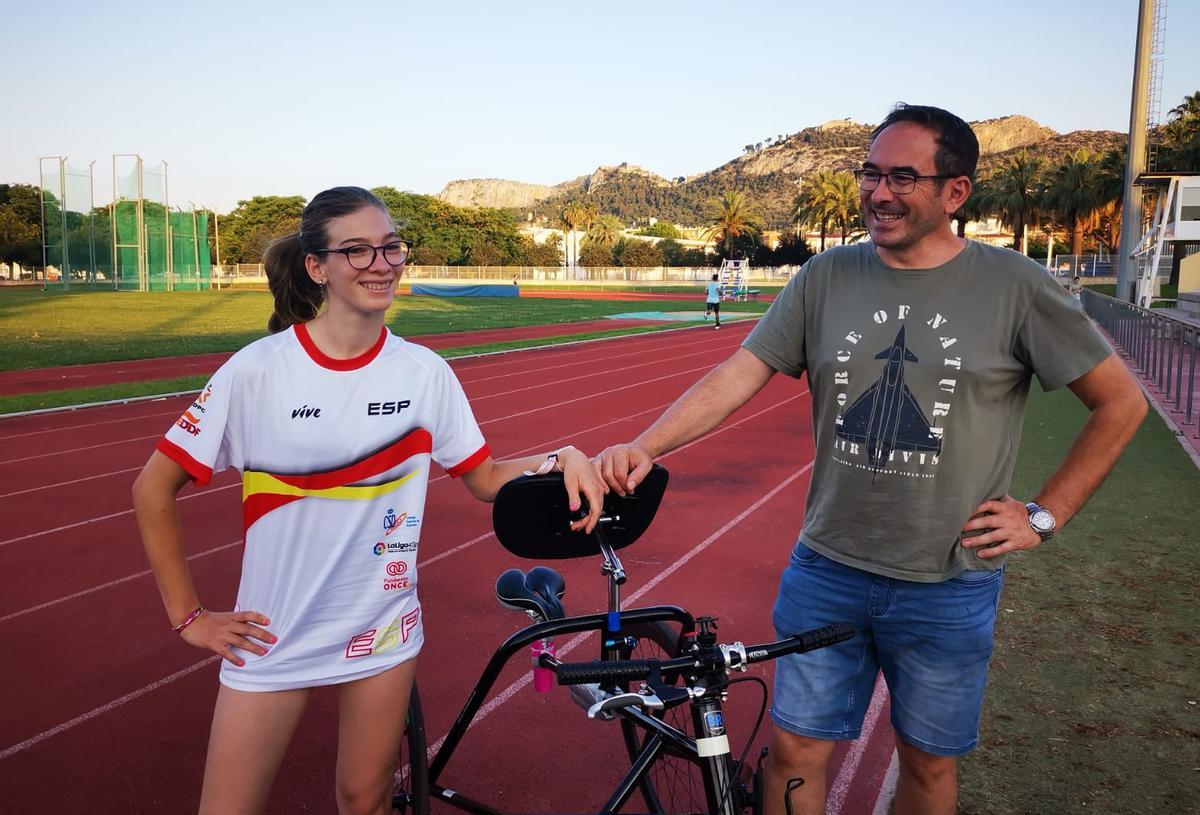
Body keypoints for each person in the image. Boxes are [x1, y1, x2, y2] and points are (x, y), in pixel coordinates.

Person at [593, 105, 1146, 815]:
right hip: (828, 568)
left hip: (948, 582)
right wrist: (646, 446)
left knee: (927, 769)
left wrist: (1044, 513)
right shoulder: (824, 277)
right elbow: (742, 371)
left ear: (955, 192)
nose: (879, 193)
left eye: (903, 177)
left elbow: (1120, 402)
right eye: (871, 172)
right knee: (793, 754)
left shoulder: (1014, 286)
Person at [132, 186, 604, 815]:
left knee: (365, 801)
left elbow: (486, 476)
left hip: (381, 627)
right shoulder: (258, 371)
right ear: (316, 267)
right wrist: (191, 619)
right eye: (356, 250)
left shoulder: (424, 372)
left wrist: (561, 457)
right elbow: (152, 489)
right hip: (275, 634)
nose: (381, 263)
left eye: (390, 247)